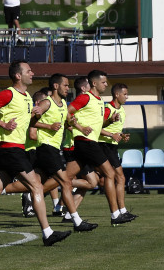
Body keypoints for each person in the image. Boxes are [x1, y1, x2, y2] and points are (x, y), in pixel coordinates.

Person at [0, 61, 71, 246]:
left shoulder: (27, 96)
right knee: (37, 185)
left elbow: (29, 123)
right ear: (18, 75)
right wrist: (3, 124)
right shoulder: (8, 93)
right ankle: (48, 232)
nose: (32, 73)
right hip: (10, 147)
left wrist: (36, 115)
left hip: (17, 148)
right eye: (29, 70)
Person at [31, 73, 98, 232]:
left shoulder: (62, 104)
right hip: (45, 147)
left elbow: (68, 120)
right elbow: (32, 119)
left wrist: (81, 128)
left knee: (36, 185)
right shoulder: (47, 103)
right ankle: (76, 220)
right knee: (65, 182)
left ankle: (8, 192)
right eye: (66, 85)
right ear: (56, 86)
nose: (68, 88)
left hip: (53, 148)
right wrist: (47, 125)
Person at [65, 69, 132, 226]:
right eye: (103, 82)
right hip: (86, 141)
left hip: (87, 142)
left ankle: (41, 189)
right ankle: (115, 214)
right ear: (93, 83)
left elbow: (99, 124)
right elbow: (67, 113)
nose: (106, 84)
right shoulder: (85, 98)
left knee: (65, 179)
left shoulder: (99, 101)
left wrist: (110, 121)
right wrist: (80, 128)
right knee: (110, 174)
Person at [99, 83, 136, 217]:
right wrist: (112, 135)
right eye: (125, 94)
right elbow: (98, 128)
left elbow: (114, 131)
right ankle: (121, 211)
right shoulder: (108, 109)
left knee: (112, 178)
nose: (127, 97)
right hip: (104, 145)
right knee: (120, 177)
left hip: (112, 146)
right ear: (117, 94)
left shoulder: (122, 110)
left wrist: (121, 135)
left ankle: (121, 210)